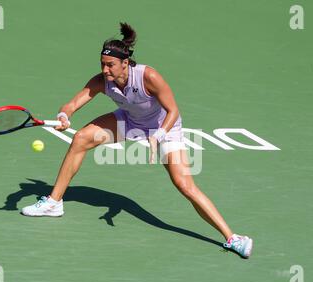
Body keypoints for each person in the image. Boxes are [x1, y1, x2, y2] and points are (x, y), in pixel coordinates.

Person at [21, 23, 253, 258]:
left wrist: (158, 136)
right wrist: (64, 116)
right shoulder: (102, 81)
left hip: (165, 128)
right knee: (81, 138)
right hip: (130, 122)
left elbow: (172, 110)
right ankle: (53, 202)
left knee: (185, 186)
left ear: (125, 63)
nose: (105, 69)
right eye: (102, 64)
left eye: (110, 64)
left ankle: (233, 238)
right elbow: (72, 104)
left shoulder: (148, 76)